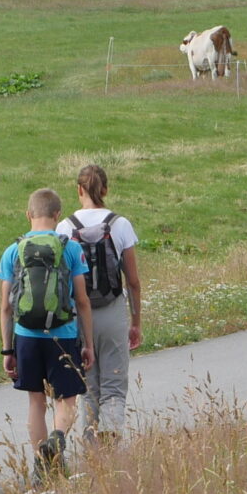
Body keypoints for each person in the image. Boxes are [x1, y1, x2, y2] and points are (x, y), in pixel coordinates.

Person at [0, 187, 95, 471]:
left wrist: (8, 349)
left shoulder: (12, 251)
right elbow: (82, 300)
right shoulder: (71, 248)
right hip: (63, 334)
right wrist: (87, 343)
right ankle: (58, 437)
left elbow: (5, 306)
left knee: (35, 401)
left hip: (26, 335)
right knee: (67, 398)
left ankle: (43, 464)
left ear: (28, 214)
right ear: (57, 215)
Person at [57, 163, 144, 440]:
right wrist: (136, 321)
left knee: (89, 386)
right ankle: (111, 447)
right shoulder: (120, 225)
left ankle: (93, 448)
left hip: (79, 314)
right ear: (105, 189)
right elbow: (132, 281)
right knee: (114, 384)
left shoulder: (65, 227)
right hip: (112, 311)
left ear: (79, 189)